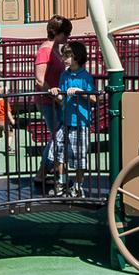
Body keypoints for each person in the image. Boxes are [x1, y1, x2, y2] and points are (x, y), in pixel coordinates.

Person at [45, 42, 97, 198]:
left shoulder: (86, 77)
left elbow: (93, 98)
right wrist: (55, 94)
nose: (64, 59)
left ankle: (78, 186)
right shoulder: (64, 75)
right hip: (65, 120)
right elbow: (62, 100)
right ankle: (61, 182)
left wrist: (81, 92)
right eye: (64, 55)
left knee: (79, 156)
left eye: (67, 55)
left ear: (77, 57)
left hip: (80, 123)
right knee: (56, 151)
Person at [33, 16, 74, 191]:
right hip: (48, 101)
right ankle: (59, 177)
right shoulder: (45, 50)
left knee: (58, 137)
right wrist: (56, 96)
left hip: (56, 100)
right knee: (59, 137)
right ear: (56, 32)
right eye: (66, 33)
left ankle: (43, 174)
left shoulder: (57, 49)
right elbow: (40, 80)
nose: (68, 37)